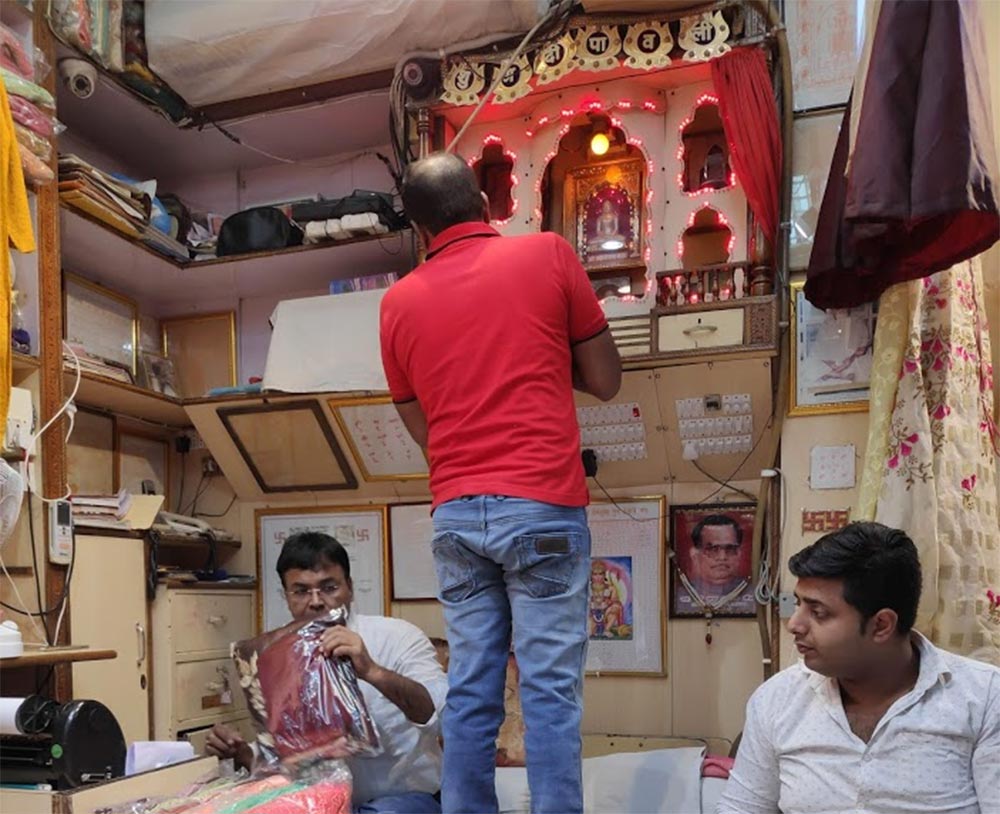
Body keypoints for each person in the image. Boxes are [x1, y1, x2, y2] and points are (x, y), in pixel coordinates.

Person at [379, 152, 622, 814]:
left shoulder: (397, 303)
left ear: (421, 231)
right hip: (542, 505)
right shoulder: (547, 255)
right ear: (486, 205)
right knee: (548, 693)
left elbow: (426, 431)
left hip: (457, 515)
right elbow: (606, 380)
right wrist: (542, 355)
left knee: (471, 689)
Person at [716, 522, 1000, 814]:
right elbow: (742, 809)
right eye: (798, 604)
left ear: (881, 625)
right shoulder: (777, 699)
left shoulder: (983, 698)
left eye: (818, 612)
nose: (795, 624)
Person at [206, 532, 448, 814]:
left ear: (350, 588)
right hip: (320, 804)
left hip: (405, 801)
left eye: (329, 587)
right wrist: (240, 752)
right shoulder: (273, 658)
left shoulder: (397, 636)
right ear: (286, 596)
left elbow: (444, 718)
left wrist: (373, 671)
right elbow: (284, 757)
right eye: (301, 591)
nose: (316, 601)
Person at [676, 514, 754, 615]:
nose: (722, 557)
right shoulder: (678, 598)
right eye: (713, 549)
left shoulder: (756, 596)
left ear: (739, 554)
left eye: (730, 549)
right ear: (694, 555)